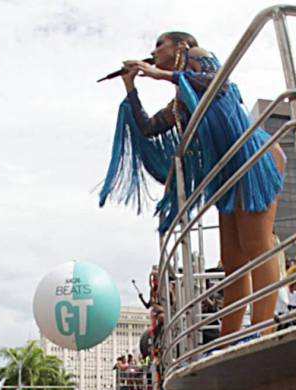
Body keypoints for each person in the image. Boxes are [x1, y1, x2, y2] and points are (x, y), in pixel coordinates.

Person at [110, 31, 286, 339]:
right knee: (232, 259)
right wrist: (131, 86)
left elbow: (215, 82)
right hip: (228, 171)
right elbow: (149, 127)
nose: (153, 51)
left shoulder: (198, 55)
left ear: (181, 45)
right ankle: (231, 336)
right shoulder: (180, 101)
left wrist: (158, 73)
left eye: (158, 45)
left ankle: (263, 328)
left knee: (256, 244)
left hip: (253, 156)